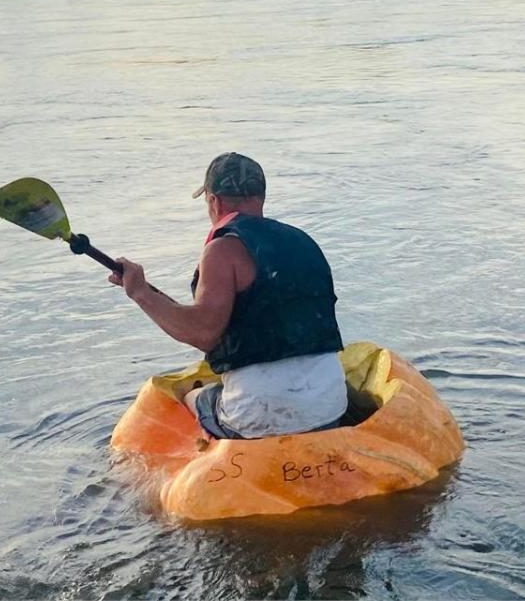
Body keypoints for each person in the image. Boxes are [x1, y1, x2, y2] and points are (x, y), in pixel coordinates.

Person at [109, 152, 347, 439]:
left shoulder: (221, 250)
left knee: (194, 397)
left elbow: (204, 333)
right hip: (329, 406)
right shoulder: (304, 241)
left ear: (215, 201)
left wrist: (140, 293)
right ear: (260, 197)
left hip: (259, 414)